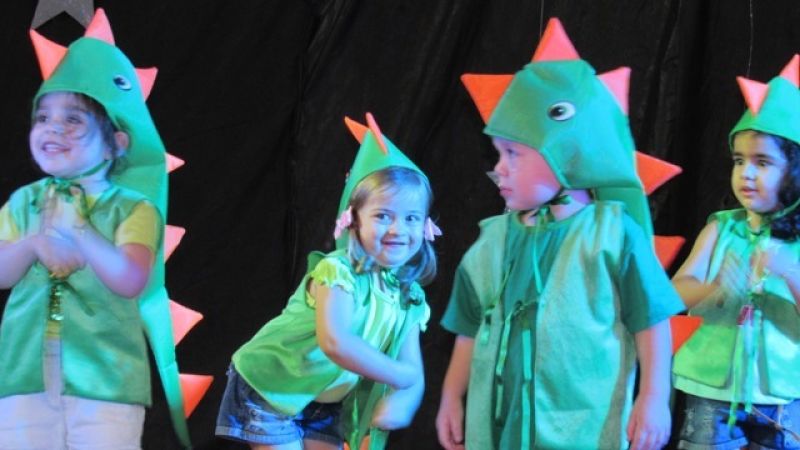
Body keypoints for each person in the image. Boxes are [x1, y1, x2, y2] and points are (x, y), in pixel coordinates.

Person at [435, 18, 685, 450]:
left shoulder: (612, 235)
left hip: (581, 426)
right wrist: (451, 397)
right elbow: (470, 327)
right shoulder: (492, 241)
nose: (499, 169)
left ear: (566, 153)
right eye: (498, 154)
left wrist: (654, 397)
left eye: (513, 153)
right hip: (496, 426)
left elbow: (652, 321)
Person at [0, 10, 191, 449]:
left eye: (73, 119)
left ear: (115, 143)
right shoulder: (24, 202)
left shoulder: (133, 208)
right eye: (43, 117)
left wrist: (81, 231)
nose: (52, 128)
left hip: (106, 382)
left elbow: (130, 280)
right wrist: (33, 243)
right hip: (24, 378)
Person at [215, 113, 440, 450]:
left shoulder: (409, 296)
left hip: (325, 399)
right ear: (354, 220)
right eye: (383, 215)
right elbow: (336, 341)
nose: (398, 229)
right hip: (273, 384)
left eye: (411, 218)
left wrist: (402, 401)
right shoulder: (337, 271)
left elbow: (412, 368)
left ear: (425, 227)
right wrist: (399, 377)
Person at [672, 55, 800, 450]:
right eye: (739, 160)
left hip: (783, 398)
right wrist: (713, 286)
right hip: (712, 390)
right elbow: (674, 294)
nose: (746, 173)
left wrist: (791, 273)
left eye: (763, 162)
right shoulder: (720, 228)